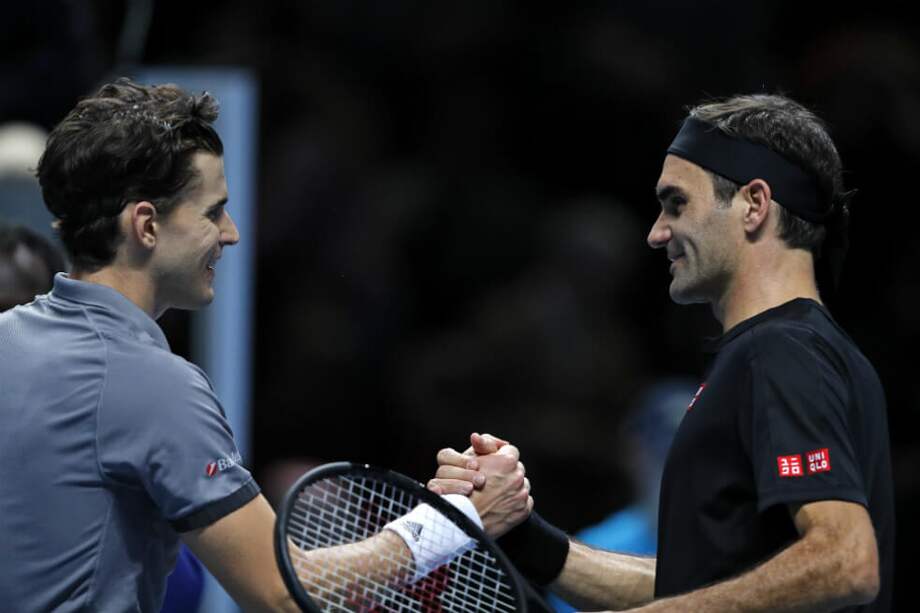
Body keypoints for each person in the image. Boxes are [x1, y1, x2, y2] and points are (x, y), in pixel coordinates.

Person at [0, 78, 531, 612]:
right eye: (212, 212)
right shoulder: (155, 386)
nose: (230, 232)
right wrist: (452, 522)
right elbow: (285, 592)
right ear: (146, 225)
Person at [433, 94, 894, 612]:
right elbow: (697, 589)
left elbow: (846, 560)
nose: (656, 234)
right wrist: (523, 534)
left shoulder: (782, 350)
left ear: (754, 204)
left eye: (677, 203)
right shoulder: (792, 350)